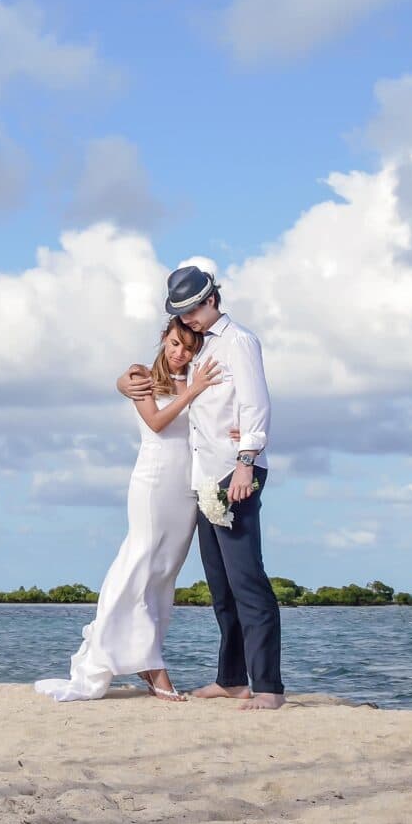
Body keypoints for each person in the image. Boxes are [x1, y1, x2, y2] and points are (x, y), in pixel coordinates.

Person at [34, 319, 223, 702]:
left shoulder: (199, 376)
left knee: (163, 576)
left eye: (187, 347)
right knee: (139, 565)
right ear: (163, 340)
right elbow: (155, 422)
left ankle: (145, 655)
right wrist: (192, 391)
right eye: (174, 343)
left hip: (186, 487)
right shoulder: (141, 377)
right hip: (154, 484)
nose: (179, 353)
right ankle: (151, 665)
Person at [167, 258, 284, 710]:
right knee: (220, 586)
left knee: (247, 580)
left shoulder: (239, 342)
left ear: (212, 299)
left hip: (234, 473)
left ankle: (269, 687)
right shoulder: (200, 347)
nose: (186, 319)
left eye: (193, 309)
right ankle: (231, 678)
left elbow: (256, 403)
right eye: (180, 313)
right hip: (204, 476)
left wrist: (245, 460)